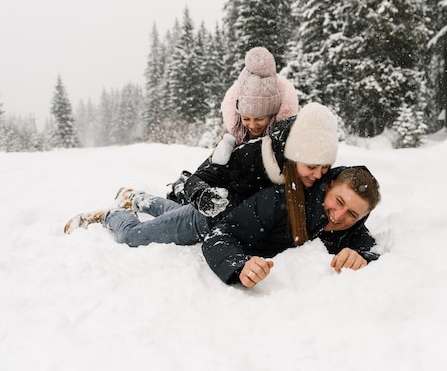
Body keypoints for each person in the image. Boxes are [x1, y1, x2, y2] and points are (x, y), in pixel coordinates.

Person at [64, 103, 339, 248]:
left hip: (223, 223)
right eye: (311, 166)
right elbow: (200, 177)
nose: (318, 174)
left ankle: (136, 197)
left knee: (170, 212)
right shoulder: (253, 156)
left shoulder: (309, 174)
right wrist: (204, 197)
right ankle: (110, 216)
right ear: (293, 154)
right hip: (207, 219)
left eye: (324, 167)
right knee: (134, 237)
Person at [203, 165, 382, 288]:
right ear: (329, 186)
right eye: (339, 201)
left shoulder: (353, 229)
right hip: (205, 216)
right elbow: (220, 235)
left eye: (352, 214)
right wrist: (239, 266)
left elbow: (374, 251)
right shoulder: (280, 200)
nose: (338, 216)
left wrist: (361, 257)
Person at [167, 46, 299, 203]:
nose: (252, 125)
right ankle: (181, 188)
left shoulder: (284, 135)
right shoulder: (236, 130)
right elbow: (212, 165)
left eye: (259, 119)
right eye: (246, 118)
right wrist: (197, 185)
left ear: (272, 115)